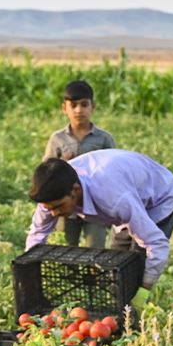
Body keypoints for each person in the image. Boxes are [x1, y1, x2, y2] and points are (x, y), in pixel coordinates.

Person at [26, 149, 173, 289]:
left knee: (138, 262)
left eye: (58, 207)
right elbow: (37, 234)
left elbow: (155, 244)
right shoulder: (50, 193)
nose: (53, 214)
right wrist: (29, 274)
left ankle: (134, 312)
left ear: (76, 190)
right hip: (126, 188)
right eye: (49, 209)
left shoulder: (114, 199)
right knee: (117, 262)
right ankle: (119, 303)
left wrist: (144, 288)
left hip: (159, 195)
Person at [42, 80, 118, 249]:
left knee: (96, 249)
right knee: (65, 249)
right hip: (65, 207)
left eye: (84, 105)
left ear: (93, 107)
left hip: (96, 205)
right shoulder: (58, 139)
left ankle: (93, 276)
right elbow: (46, 173)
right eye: (73, 105)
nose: (79, 110)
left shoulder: (103, 138)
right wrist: (63, 166)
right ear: (64, 108)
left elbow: (114, 172)